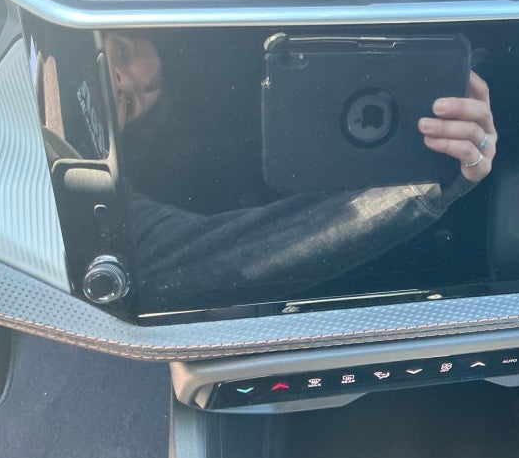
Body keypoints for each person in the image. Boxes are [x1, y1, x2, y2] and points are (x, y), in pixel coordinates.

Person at [102, 31, 498, 299]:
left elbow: (240, 254)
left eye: (130, 104)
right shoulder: (89, 217)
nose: (120, 85)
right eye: (121, 53)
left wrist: (434, 174)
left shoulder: (106, 213)